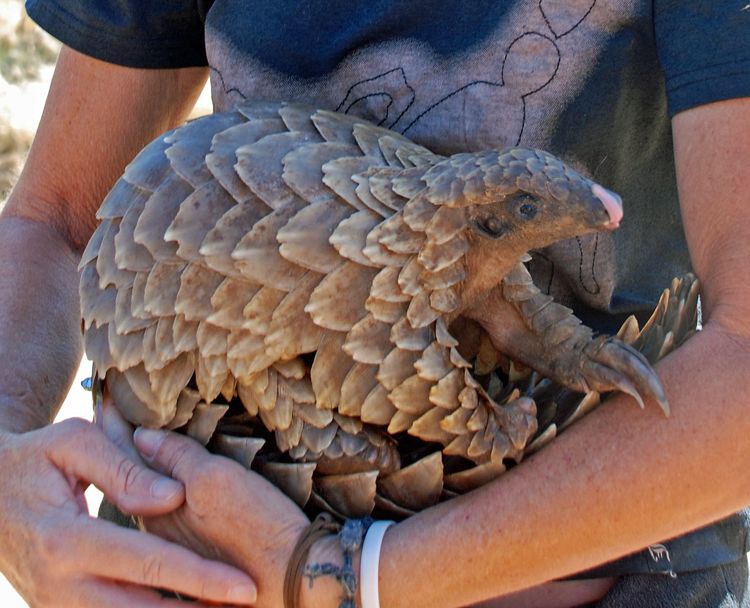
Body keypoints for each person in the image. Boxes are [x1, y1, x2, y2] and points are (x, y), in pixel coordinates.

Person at [0, 1, 748, 606]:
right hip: (191, 555)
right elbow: (57, 221)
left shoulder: (463, 248)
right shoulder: (405, 268)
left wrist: (345, 578)